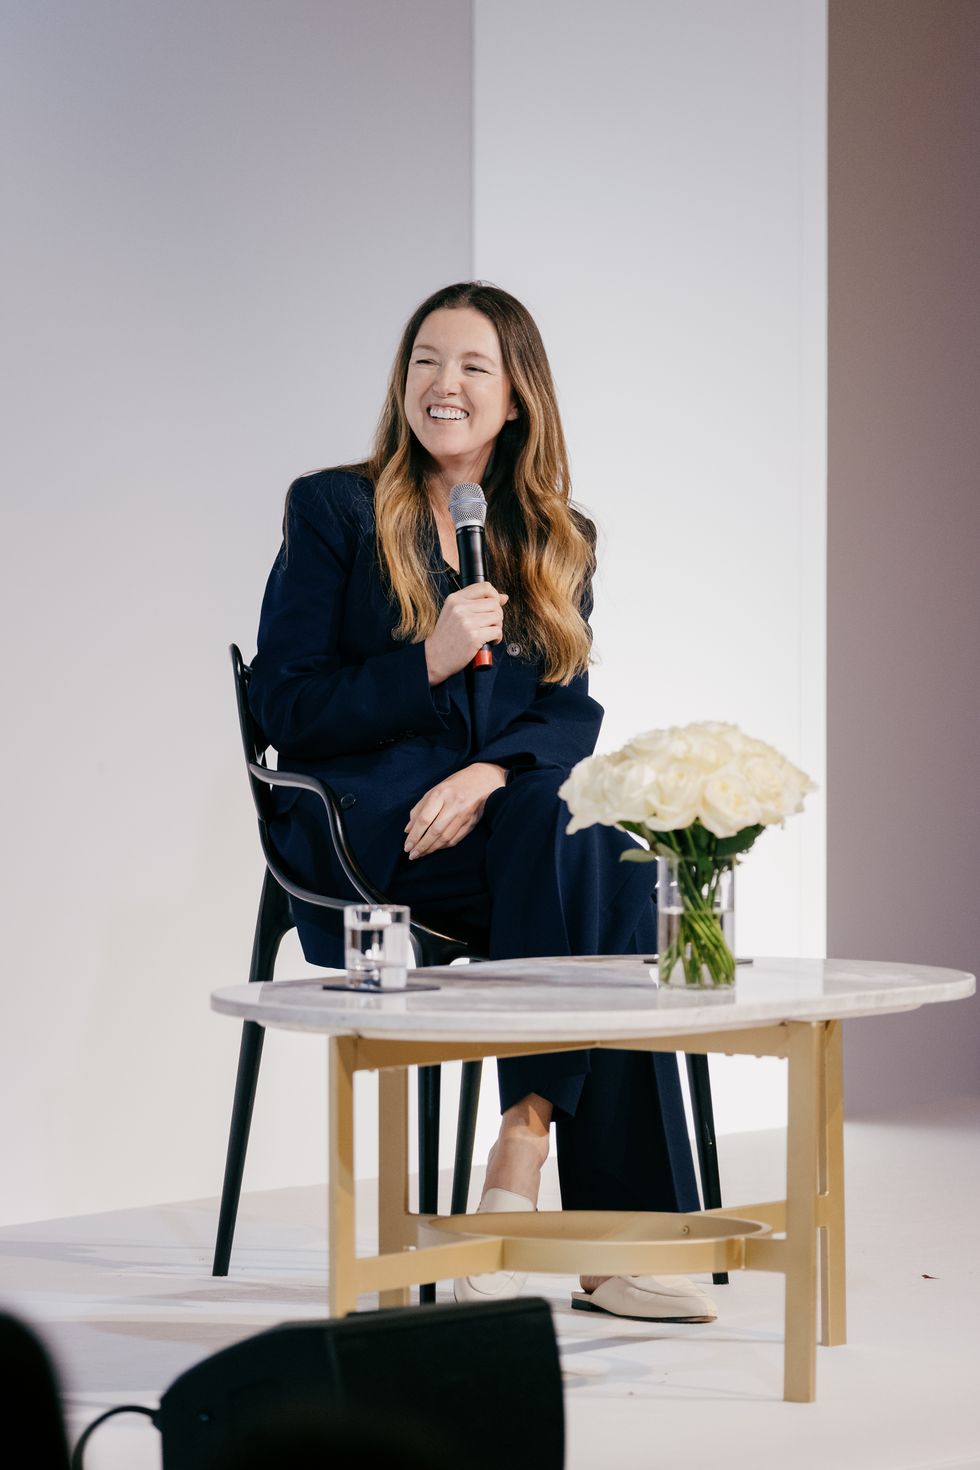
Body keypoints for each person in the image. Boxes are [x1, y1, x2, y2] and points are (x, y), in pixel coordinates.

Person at [249, 282, 716, 1322]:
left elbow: (566, 707)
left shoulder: (556, 534)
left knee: (585, 838)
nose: (441, 385)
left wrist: (489, 773)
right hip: (374, 827)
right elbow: (285, 704)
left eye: (470, 367)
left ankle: (523, 1143)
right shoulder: (332, 508)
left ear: (516, 400)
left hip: (496, 817)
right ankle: (614, 1243)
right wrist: (427, 660)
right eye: (424, 361)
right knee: (593, 861)